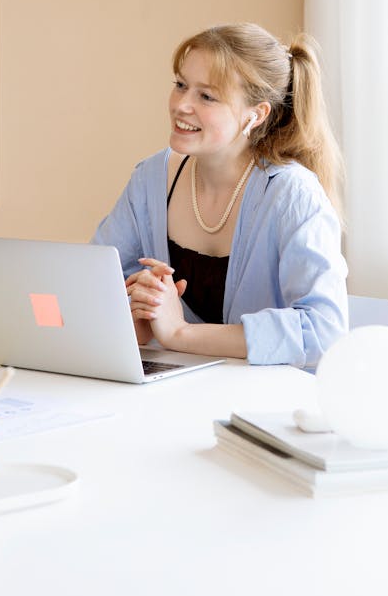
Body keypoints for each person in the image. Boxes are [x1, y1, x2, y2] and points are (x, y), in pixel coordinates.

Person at [92, 22, 348, 369]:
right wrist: (136, 314)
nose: (182, 105)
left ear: (255, 115)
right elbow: (96, 284)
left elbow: (322, 331)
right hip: (179, 394)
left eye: (206, 96)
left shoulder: (292, 194)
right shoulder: (151, 178)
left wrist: (179, 333)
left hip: (265, 408)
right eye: (181, 85)